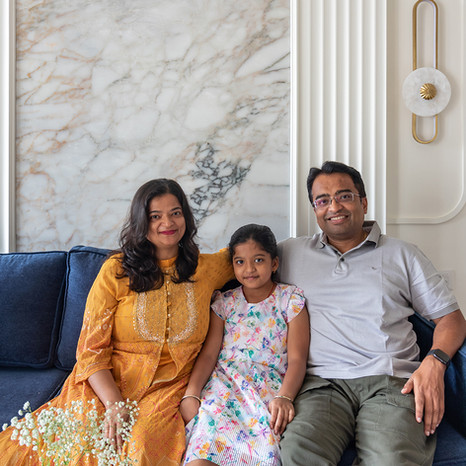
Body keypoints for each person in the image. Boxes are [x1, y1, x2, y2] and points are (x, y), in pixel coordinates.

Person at [0, 179, 234, 466]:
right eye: (155, 216)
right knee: (75, 446)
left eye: (175, 213)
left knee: (142, 447)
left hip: (167, 389)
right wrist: (113, 404)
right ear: (141, 222)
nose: (168, 223)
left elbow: (250, 251)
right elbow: (90, 351)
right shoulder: (116, 271)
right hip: (107, 384)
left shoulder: (206, 268)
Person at [277, 161, 466, 465]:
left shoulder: (403, 254)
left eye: (344, 196)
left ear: (363, 202)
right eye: (322, 200)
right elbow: (236, 264)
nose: (334, 207)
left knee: (391, 460)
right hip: (321, 385)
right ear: (314, 209)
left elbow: (451, 319)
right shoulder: (289, 254)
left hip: (391, 382)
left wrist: (435, 362)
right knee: (297, 452)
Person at [180, 224, 310, 465]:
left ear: (274, 263)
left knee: (263, 447)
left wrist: (285, 396)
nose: (249, 269)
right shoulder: (224, 303)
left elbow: (297, 359)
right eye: (240, 262)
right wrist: (192, 394)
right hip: (223, 388)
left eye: (258, 260)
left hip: (267, 390)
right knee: (203, 450)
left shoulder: (289, 300)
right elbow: (208, 355)